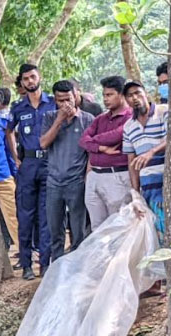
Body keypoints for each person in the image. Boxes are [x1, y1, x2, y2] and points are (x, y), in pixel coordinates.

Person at [40, 80, 94, 262]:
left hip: (76, 181)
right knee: (55, 229)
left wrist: (86, 177)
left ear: (75, 96)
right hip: (54, 181)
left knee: (78, 230)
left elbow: (91, 153)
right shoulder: (49, 117)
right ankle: (56, 266)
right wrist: (59, 120)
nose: (65, 104)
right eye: (60, 100)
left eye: (68, 99)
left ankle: (77, 267)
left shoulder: (88, 120)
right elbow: (44, 143)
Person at [10, 64, 55, 280]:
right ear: (21, 82)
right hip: (27, 165)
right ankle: (26, 264)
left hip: (49, 164)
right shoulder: (18, 108)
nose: (30, 81)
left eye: (32, 77)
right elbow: (8, 131)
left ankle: (44, 264)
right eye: (25, 79)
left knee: (46, 215)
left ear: (40, 77)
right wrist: (15, 157)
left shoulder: (53, 103)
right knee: (25, 215)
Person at [79, 76, 133, 230]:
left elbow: (115, 136)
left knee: (118, 225)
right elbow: (83, 140)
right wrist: (102, 148)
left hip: (116, 175)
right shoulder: (100, 119)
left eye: (109, 95)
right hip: (95, 175)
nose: (105, 99)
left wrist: (94, 140)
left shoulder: (130, 117)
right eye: (104, 95)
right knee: (97, 227)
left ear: (121, 95)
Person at [123, 80, 168, 238]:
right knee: (154, 233)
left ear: (145, 93)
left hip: (165, 183)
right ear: (126, 101)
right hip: (147, 187)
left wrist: (151, 152)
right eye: (129, 95)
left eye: (137, 93)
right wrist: (136, 194)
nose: (135, 98)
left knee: (167, 229)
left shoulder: (163, 112)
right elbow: (131, 161)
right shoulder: (129, 126)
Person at [0, 88, 20, 248]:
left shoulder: (3, 122)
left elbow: (10, 151)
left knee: (13, 218)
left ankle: (26, 256)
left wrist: (15, 173)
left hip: (3, 176)